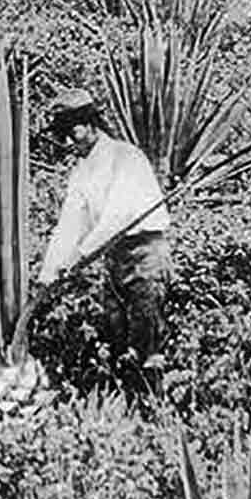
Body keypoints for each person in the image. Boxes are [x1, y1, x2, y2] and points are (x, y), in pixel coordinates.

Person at [38, 89, 174, 368]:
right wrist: (49, 273)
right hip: (113, 259)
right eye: (60, 133)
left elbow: (117, 217)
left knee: (147, 342)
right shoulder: (82, 171)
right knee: (117, 339)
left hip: (144, 253)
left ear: (90, 123)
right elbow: (70, 224)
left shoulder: (125, 157)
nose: (66, 141)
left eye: (71, 131)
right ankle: (125, 404)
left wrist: (79, 255)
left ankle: (155, 401)